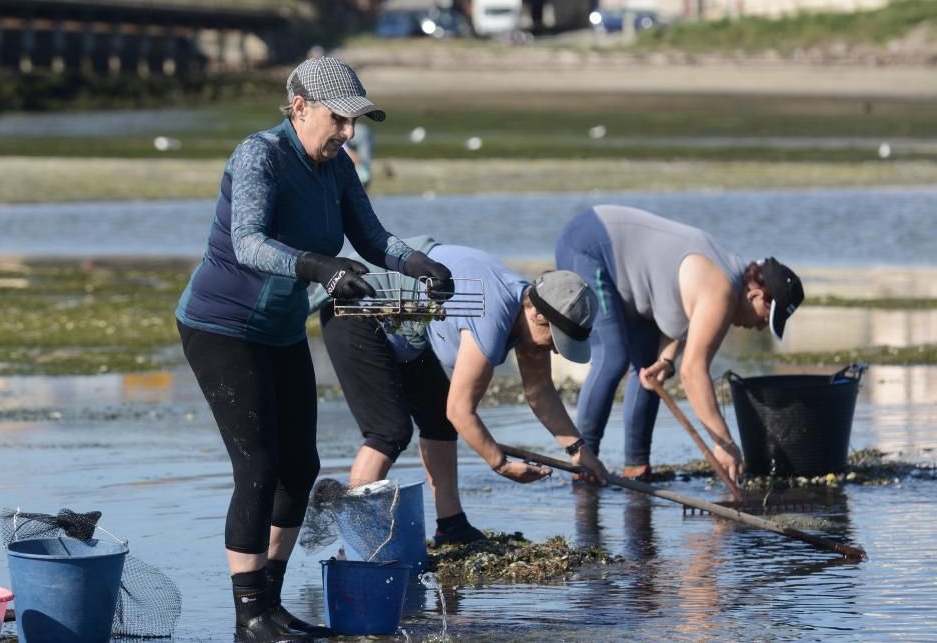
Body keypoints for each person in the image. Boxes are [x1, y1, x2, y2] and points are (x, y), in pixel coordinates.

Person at [174, 56, 453, 643]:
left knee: (300, 467)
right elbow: (248, 243)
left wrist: (416, 263)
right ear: (300, 106)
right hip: (220, 325)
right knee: (258, 467)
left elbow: (372, 236)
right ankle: (247, 616)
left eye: (356, 123)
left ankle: (270, 604)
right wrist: (320, 267)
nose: (349, 133)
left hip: (277, 329)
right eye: (340, 120)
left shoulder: (337, 166)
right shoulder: (260, 155)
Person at [313, 237, 608, 547]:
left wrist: (579, 451)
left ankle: (451, 525)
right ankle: (357, 544)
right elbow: (460, 410)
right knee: (389, 431)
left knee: (437, 422)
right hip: (355, 306)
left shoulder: (528, 311)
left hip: (405, 324)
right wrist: (501, 463)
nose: (556, 352)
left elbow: (539, 392)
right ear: (535, 312)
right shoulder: (493, 315)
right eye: (555, 340)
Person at [555, 205, 804, 482]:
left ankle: (637, 470)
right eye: (764, 319)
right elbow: (693, 372)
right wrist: (724, 444)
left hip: (630, 282)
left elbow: (682, 325)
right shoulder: (722, 291)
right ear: (756, 294)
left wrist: (666, 359)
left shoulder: (726, 284)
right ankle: (582, 465)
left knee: (650, 369)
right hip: (589, 244)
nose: (759, 328)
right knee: (613, 358)